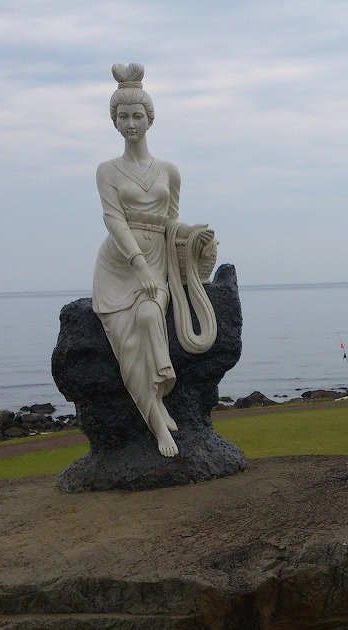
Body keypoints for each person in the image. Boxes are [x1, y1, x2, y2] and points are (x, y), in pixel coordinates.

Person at [92, 63, 219, 458]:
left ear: (150, 119)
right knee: (126, 337)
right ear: (114, 122)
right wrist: (138, 265)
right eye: (123, 117)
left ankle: (160, 390)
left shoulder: (169, 171)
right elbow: (113, 219)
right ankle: (155, 415)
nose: (131, 124)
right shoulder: (107, 171)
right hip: (120, 264)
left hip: (159, 256)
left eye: (137, 116)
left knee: (149, 317)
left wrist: (193, 240)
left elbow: (172, 221)